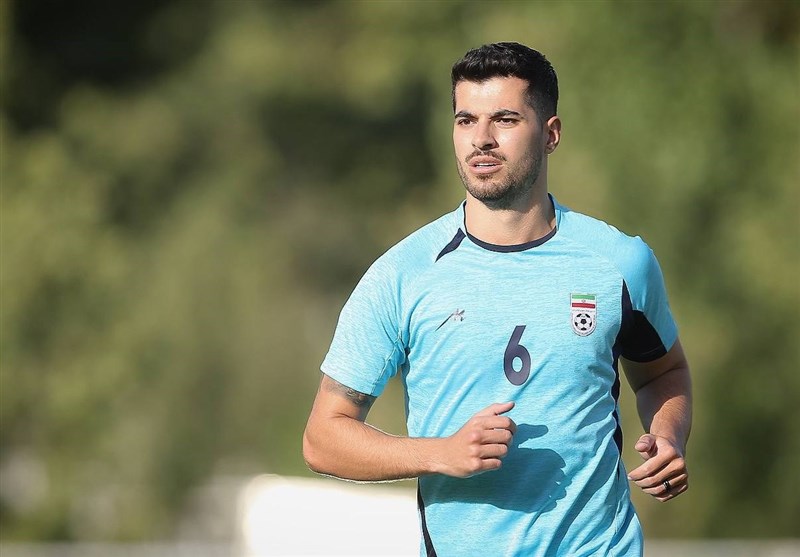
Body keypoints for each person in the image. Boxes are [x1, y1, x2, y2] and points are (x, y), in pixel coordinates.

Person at [303, 42, 692, 557]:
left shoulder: (620, 262)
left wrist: (668, 436)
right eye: (466, 120)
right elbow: (323, 438)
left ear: (550, 134)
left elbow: (664, 372)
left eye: (505, 119)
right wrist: (440, 454)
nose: (481, 138)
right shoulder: (402, 274)